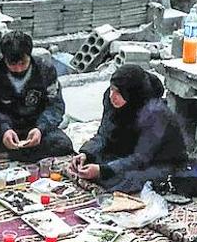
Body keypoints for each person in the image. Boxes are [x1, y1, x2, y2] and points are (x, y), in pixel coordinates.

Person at [69, 64, 187, 193]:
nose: (112, 96)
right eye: (112, 89)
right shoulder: (111, 99)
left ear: (132, 93)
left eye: (119, 92)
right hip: (126, 153)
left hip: (157, 162)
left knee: (124, 180)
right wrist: (87, 153)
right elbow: (104, 135)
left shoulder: (154, 112)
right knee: (87, 164)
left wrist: (103, 170)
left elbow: (141, 157)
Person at [0, 31, 74, 163]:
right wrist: (4, 129)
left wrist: (40, 128)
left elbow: (55, 106)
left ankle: (9, 155)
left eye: (22, 63)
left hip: (35, 124)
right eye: (12, 64)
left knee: (63, 144)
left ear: (29, 56)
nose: (17, 69)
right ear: (4, 58)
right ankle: (24, 154)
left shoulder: (45, 69)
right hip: (4, 126)